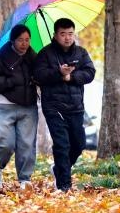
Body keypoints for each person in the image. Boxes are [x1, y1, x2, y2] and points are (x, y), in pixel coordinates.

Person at [33, 17, 96, 192]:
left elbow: (90, 73)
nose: (67, 38)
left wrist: (72, 77)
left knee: (79, 144)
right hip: (53, 106)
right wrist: (58, 73)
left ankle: (58, 169)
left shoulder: (81, 53)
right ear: (55, 35)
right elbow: (38, 75)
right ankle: (64, 186)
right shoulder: (45, 54)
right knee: (62, 144)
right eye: (63, 34)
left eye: (70, 34)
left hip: (76, 106)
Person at [0, 24, 39, 191]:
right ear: (13, 40)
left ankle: (25, 179)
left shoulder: (33, 57)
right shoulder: (1, 56)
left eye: (27, 40)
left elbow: (42, 74)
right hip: (4, 105)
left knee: (27, 145)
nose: (24, 43)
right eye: (20, 40)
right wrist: (10, 82)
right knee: (5, 144)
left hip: (28, 106)